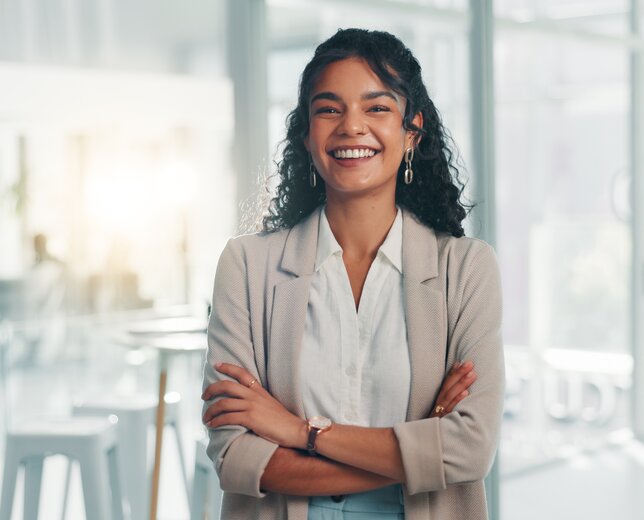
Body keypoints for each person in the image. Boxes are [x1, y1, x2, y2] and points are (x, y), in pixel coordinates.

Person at [201, 28, 504, 519]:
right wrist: (423, 447)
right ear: (306, 133)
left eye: (377, 108)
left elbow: (471, 449)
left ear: (412, 131)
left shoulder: (465, 269)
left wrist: (302, 433)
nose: (351, 127)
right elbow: (236, 456)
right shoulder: (245, 266)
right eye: (329, 108)